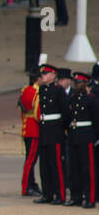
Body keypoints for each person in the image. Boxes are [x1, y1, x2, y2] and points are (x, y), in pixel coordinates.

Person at [35, 65, 67, 205]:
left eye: (46, 74)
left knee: (56, 165)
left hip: (55, 131)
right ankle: (47, 193)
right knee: (45, 165)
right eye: (42, 74)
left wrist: (61, 128)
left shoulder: (58, 91)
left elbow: (65, 112)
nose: (43, 76)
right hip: (44, 130)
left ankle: (60, 194)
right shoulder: (42, 90)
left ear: (53, 75)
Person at [65, 72, 96, 208]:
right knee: (74, 168)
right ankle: (76, 196)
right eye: (75, 83)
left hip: (86, 136)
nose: (76, 85)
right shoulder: (72, 99)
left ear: (84, 84)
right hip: (74, 136)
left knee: (87, 169)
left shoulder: (91, 99)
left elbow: (96, 119)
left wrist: (96, 137)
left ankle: (90, 197)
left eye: (78, 83)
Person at [19, 71, 41, 197]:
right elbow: (38, 114)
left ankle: (31, 184)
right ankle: (26, 186)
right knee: (30, 160)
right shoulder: (35, 92)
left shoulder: (25, 90)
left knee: (30, 159)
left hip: (27, 128)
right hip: (34, 130)